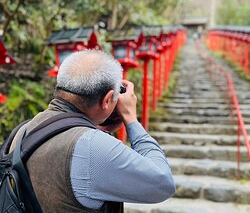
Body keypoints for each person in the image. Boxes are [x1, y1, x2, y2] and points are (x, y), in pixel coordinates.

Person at [10, 49, 176, 212]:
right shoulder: (91, 145)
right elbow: (163, 183)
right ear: (107, 100)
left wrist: (96, 128)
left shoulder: (24, 130)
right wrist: (131, 118)